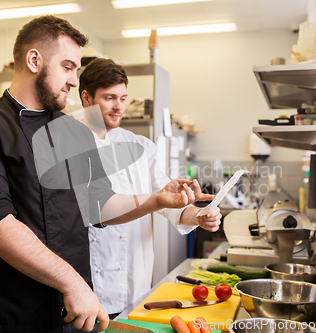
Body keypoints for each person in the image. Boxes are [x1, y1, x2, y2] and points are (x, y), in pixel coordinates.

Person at [0, 15, 211, 333]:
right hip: (12, 318)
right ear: (33, 60)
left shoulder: (72, 132)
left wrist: (156, 199)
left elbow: (98, 206)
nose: (73, 80)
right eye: (68, 67)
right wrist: (72, 281)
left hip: (74, 315)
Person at [77, 58, 222, 317]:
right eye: (110, 98)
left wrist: (199, 215)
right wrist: (160, 200)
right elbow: (99, 211)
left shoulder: (141, 146)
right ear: (86, 98)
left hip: (138, 284)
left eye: (123, 98)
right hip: (91, 291)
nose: (118, 107)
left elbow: (169, 205)